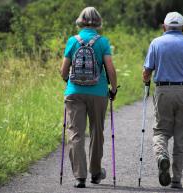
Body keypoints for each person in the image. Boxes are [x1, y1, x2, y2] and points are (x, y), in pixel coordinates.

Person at [143, 12, 183, 189]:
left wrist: (146, 80)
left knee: (160, 131)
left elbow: (147, 72)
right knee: (181, 136)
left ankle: (162, 156)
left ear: (164, 27)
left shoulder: (156, 43)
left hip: (163, 90)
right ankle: (176, 178)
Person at [60, 7, 117, 188]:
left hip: (74, 92)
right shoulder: (103, 42)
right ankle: (96, 173)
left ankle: (80, 176)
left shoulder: (72, 41)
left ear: (80, 21)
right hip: (98, 92)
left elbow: (63, 70)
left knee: (76, 133)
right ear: (98, 21)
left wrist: (69, 83)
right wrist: (113, 89)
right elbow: (110, 69)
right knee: (96, 132)